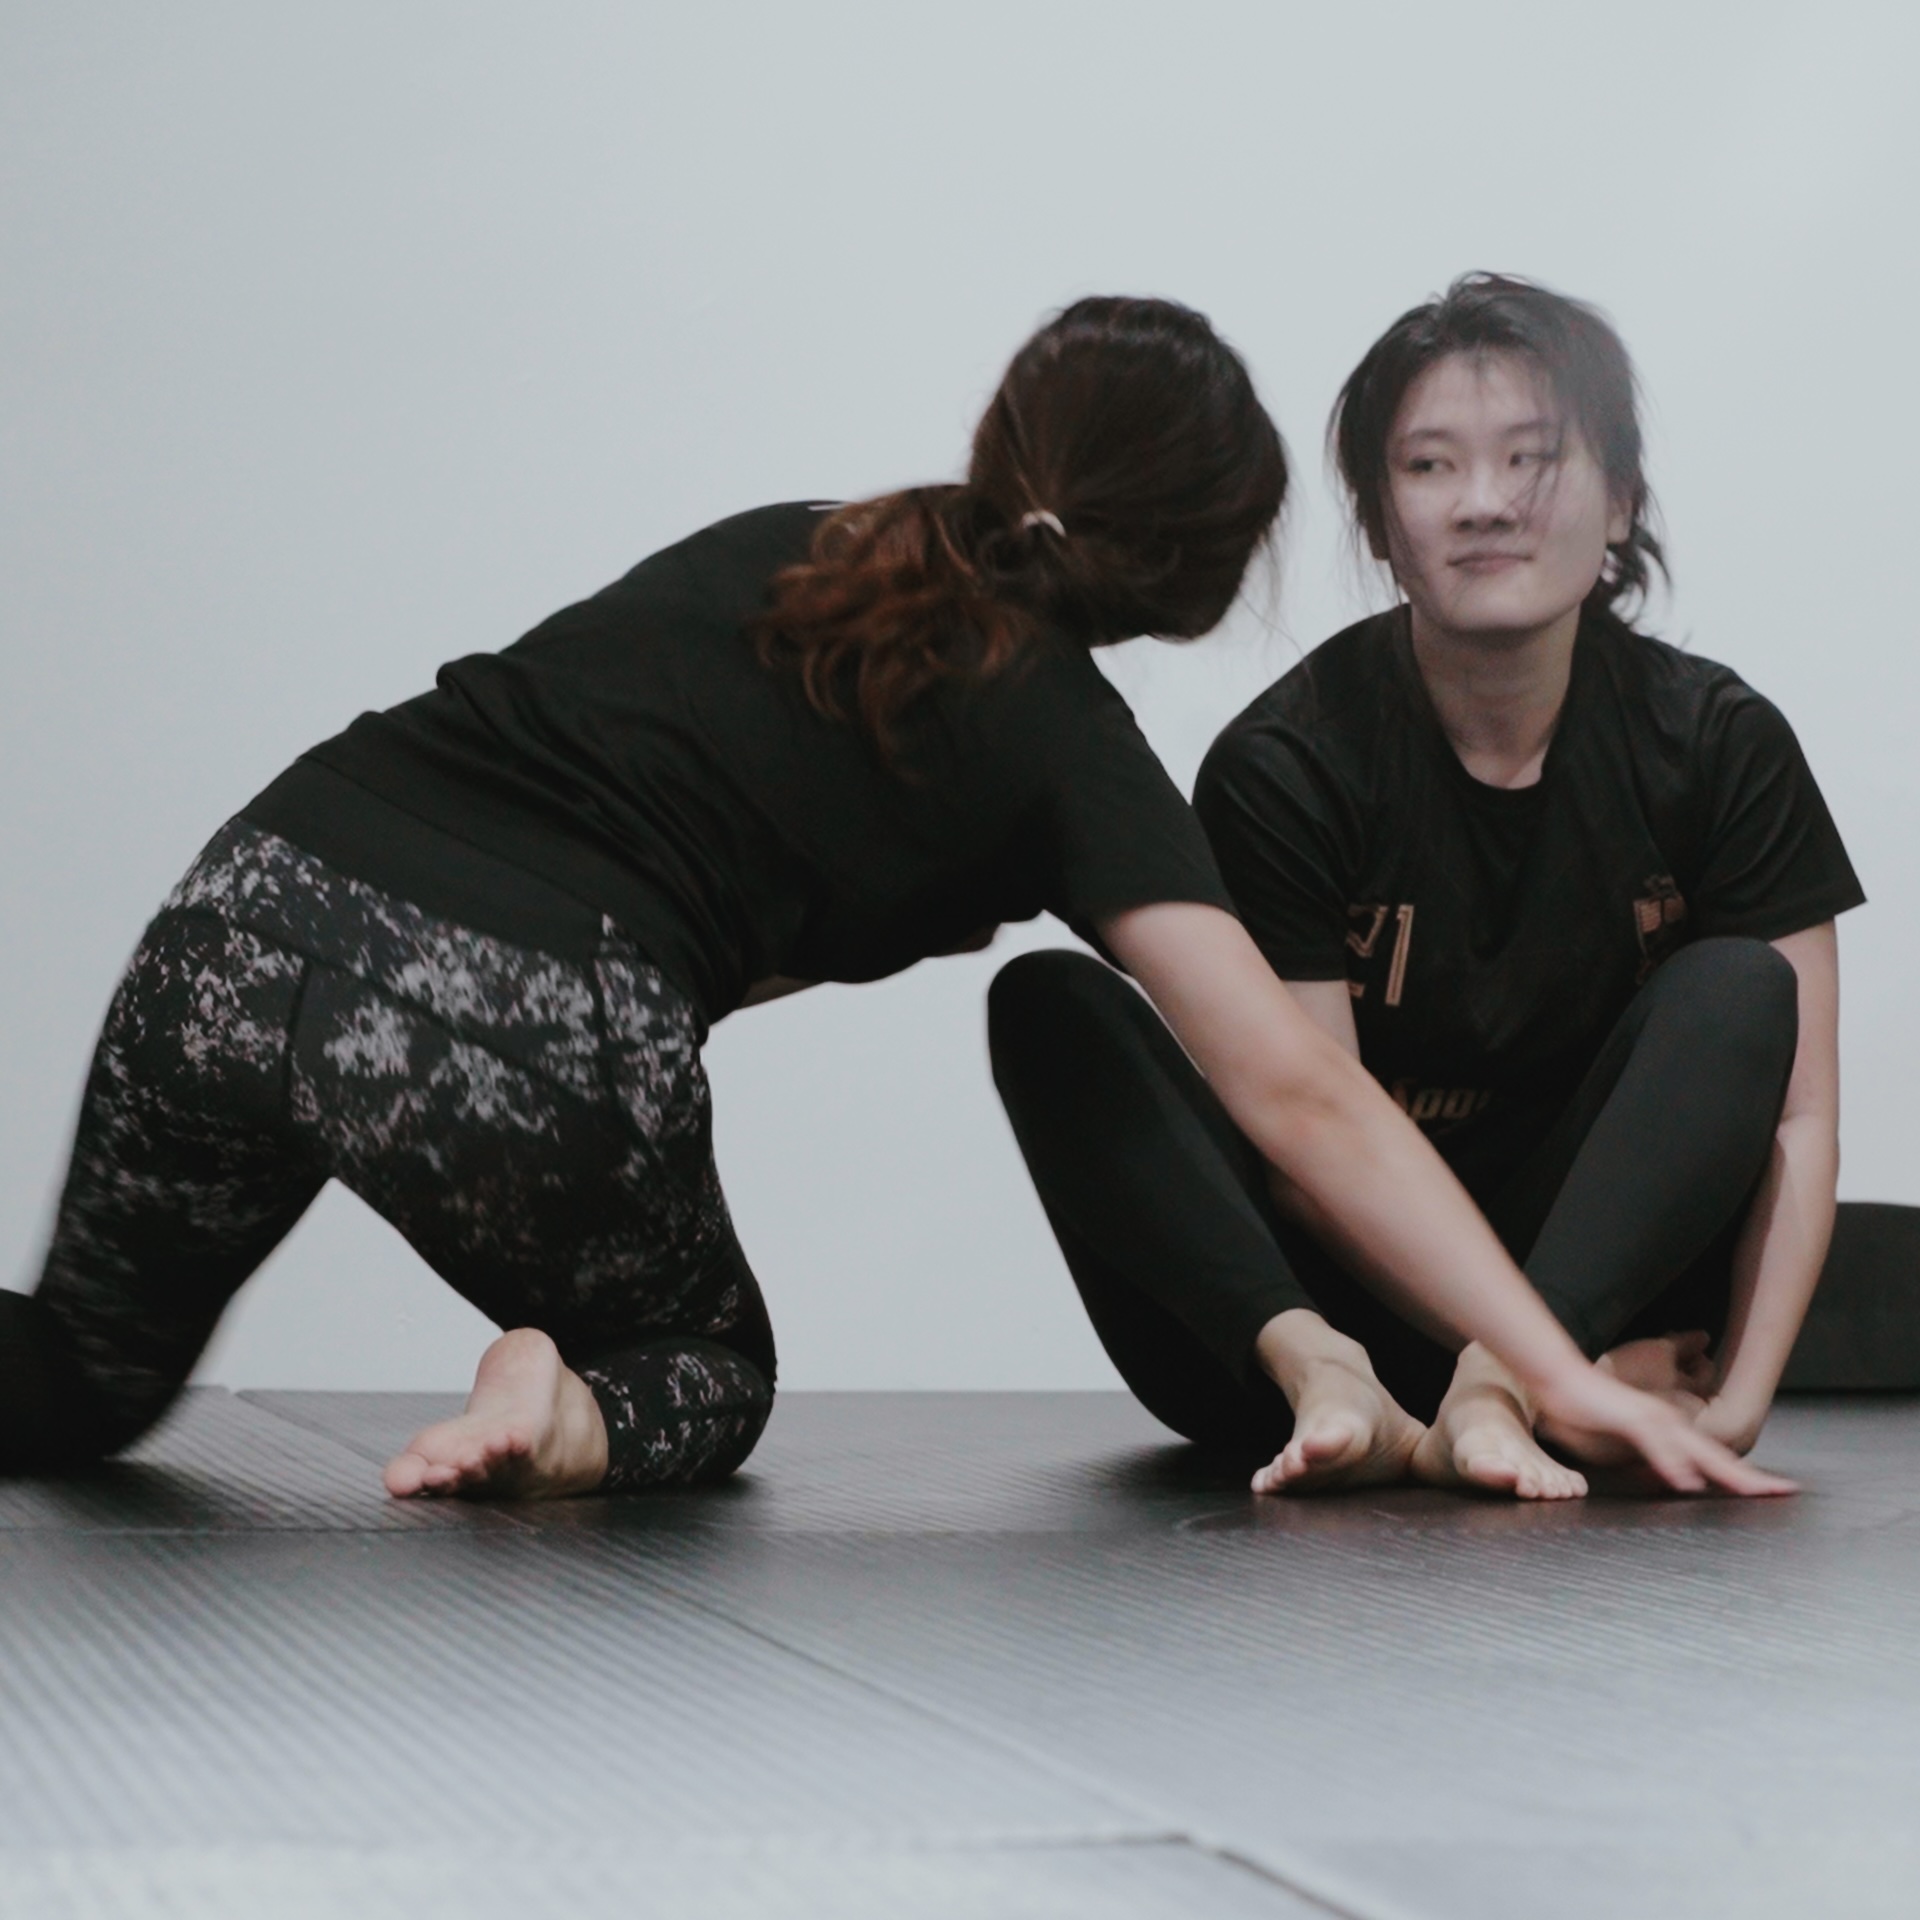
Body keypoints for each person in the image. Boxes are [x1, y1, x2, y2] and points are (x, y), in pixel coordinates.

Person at [0, 295, 1776, 1504]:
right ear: (1205, 564)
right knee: (699, 1363)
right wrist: (1563, 1364)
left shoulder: (805, 542)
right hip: (507, 1030)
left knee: (74, 1377)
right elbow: (1299, 1093)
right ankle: (558, 1400)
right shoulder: (1069, 752)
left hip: (241, 920)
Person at [990, 273, 1860, 1500]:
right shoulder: (1288, 765)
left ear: (1619, 502)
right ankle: (1398, 1395)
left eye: (1533, 458)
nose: (1486, 504)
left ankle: (1501, 1397)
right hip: (1320, 1348)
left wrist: (1738, 1404)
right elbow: (1307, 1143)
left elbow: (1798, 1116)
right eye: (1431, 467)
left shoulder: (1716, 743)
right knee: (1049, 1003)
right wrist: (1522, 1365)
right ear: (1381, 524)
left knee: (1741, 988)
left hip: (1590, 1311)